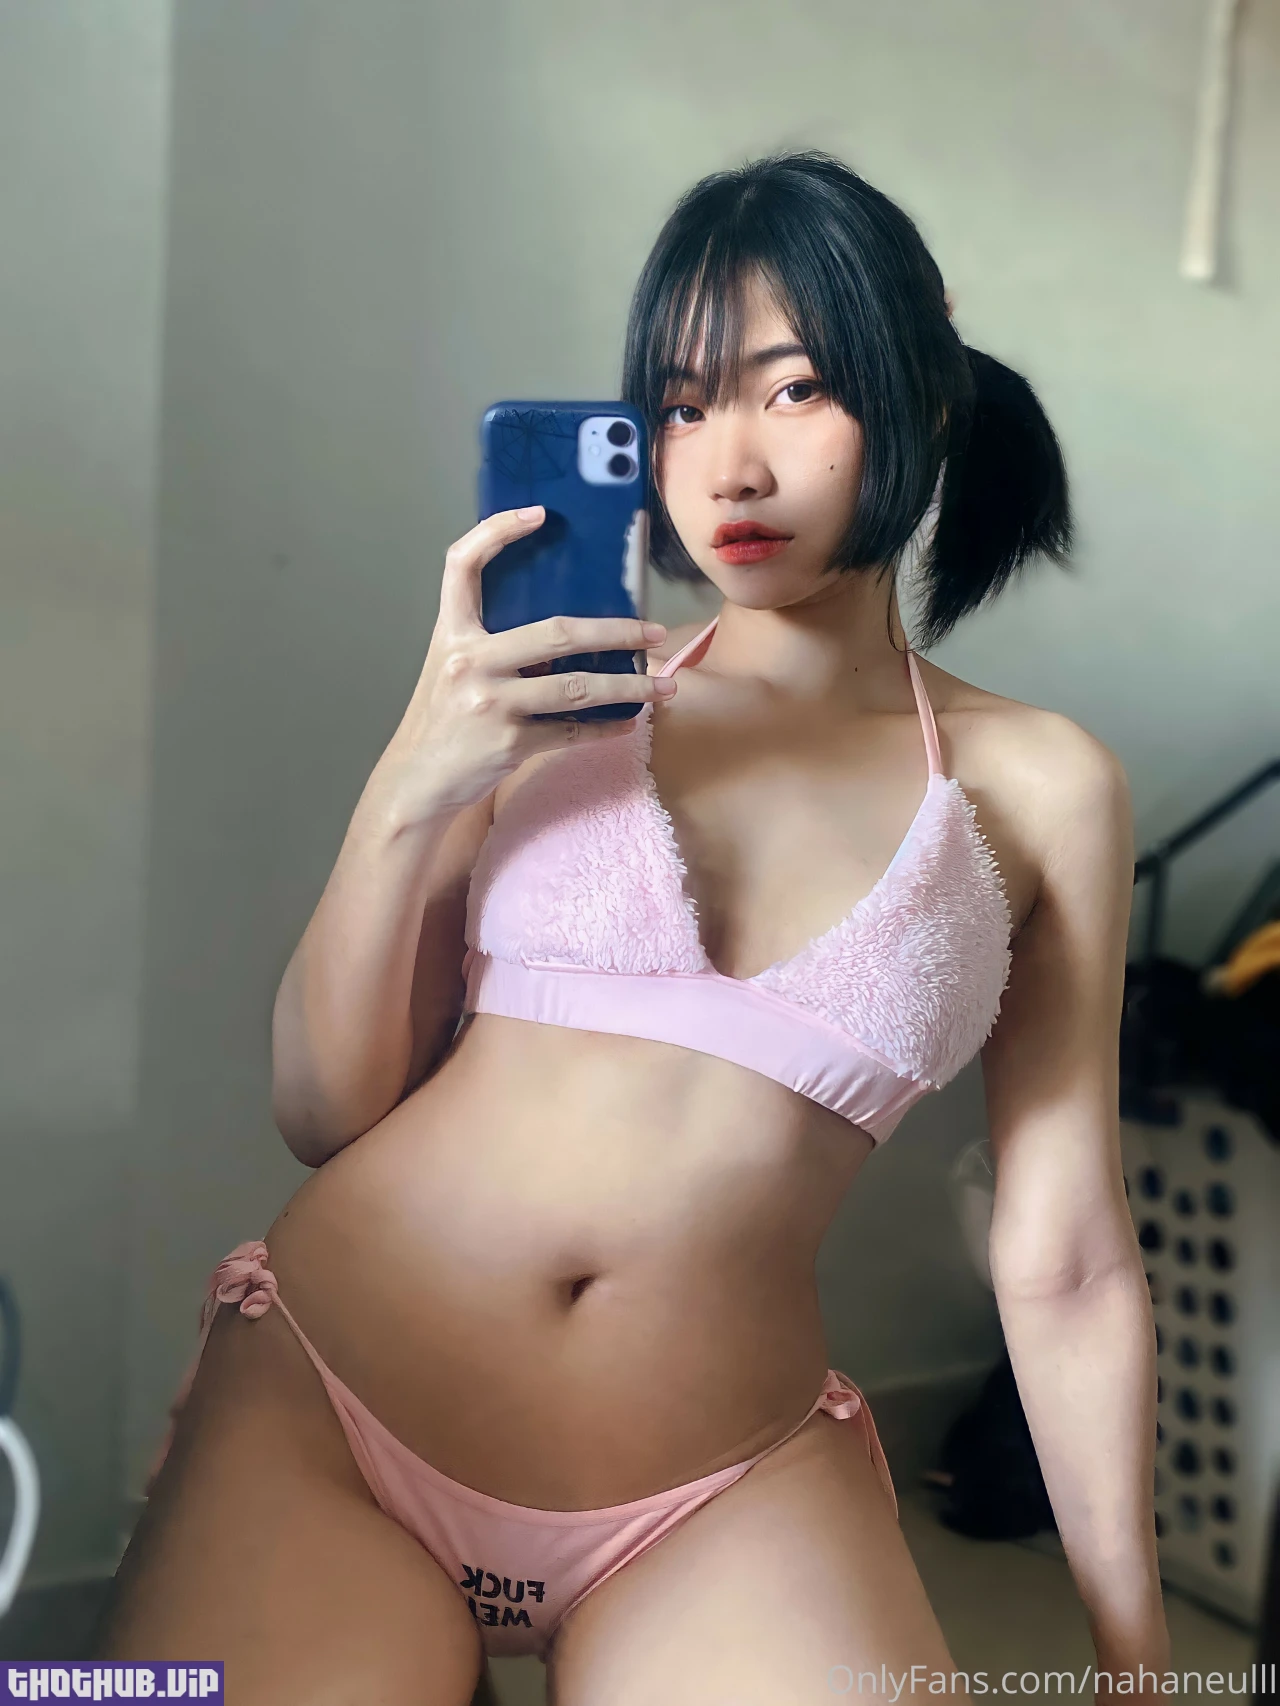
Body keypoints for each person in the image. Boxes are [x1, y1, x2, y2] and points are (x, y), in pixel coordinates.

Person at [97, 152, 1168, 1703]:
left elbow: (1064, 1254)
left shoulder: (1045, 784)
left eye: (793, 390)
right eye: (679, 407)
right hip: (337, 1401)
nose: (729, 465)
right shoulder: (557, 694)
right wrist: (413, 783)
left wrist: (1137, 1659)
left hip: (717, 1484)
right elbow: (325, 1110)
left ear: (923, 384)